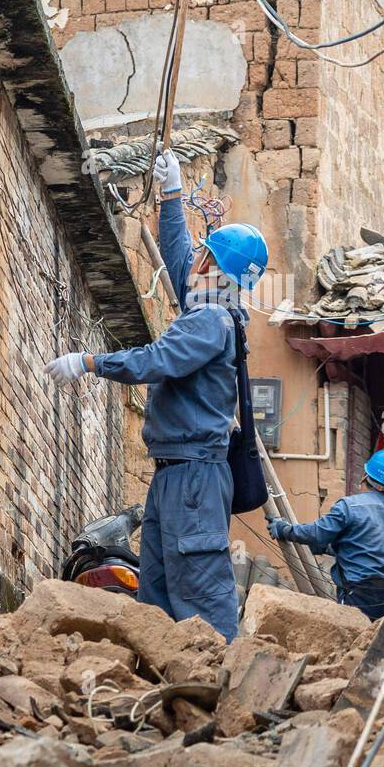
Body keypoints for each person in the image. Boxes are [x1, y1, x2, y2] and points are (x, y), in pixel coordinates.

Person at [45, 147, 267, 642]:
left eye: (206, 254)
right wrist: (170, 196)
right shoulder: (211, 303)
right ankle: (169, 692)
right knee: (159, 593)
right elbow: (178, 254)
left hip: (194, 478)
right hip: (176, 474)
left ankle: (219, 682)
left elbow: (155, 361)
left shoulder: (209, 320)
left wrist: (89, 362)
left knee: (202, 596)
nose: (196, 258)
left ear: (217, 268)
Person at [267, 449, 384, 621]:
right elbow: (372, 551)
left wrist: (285, 530)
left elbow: (316, 533)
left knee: (351, 643)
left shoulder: (349, 506)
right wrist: (330, 548)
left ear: (365, 475)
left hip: (360, 596)